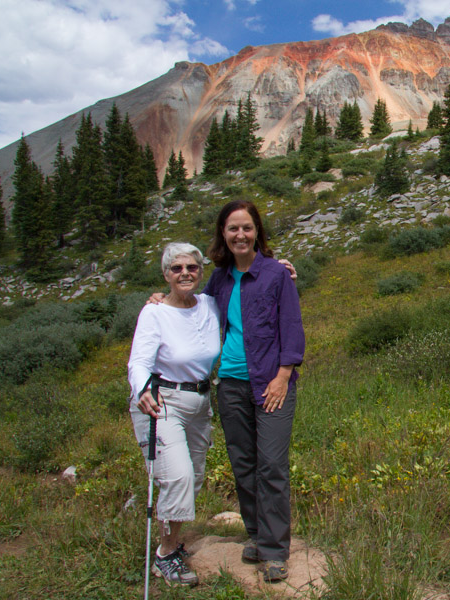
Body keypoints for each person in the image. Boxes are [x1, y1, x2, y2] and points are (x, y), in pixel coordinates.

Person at [204, 199, 305, 583]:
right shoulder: (219, 279)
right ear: (223, 235)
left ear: (257, 232)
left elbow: (292, 327)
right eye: (233, 229)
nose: (240, 235)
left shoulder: (276, 275)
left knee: (272, 465)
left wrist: (282, 376)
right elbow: (195, 309)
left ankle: (276, 551)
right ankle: (257, 536)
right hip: (229, 383)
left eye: (247, 228)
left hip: (271, 383)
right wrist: (161, 300)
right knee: (243, 463)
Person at [128, 242, 220, 587]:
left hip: (200, 400)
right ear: (166, 274)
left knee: (193, 477)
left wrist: (281, 268)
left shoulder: (210, 304)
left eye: (192, 268)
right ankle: (165, 556)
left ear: (200, 271)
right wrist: (142, 390)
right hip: (162, 400)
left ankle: (174, 541)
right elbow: (139, 361)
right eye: (176, 268)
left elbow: (248, 290)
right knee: (177, 476)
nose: (185, 274)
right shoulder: (154, 312)